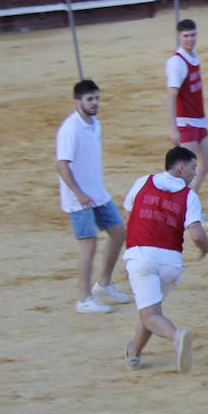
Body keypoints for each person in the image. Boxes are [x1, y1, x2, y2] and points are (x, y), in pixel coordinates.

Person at [121, 146, 208, 373]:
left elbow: (129, 216)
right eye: (193, 167)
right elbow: (197, 235)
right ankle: (134, 355)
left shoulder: (143, 182)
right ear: (180, 168)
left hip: (141, 257)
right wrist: (204, 249)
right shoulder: (190, 196)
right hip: (171, 263)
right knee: (151, 310)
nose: (195, 173)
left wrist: (130, 253)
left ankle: (176, 337)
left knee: (150, 314)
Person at [57, 79, 129, 314]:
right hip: (78, 198)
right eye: (90, 99)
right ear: (77, 102)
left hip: (97, 193)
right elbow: (62, 165)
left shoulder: (96, 124)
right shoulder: (70, 129)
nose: (95, 103)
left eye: (97, 98)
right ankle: (84, 299)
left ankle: (104, 285)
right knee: (88, 244)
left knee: (118, 233)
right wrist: (79, 193)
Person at [164, 19, 208, 205]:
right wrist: (174, 128)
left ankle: (189, 201)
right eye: (186, 36)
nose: (190, 39)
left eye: (193, 35)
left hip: (198, 120)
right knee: (183, 171)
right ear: (179, 36)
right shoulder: (177, 63)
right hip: (186, 122)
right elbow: (171, 96)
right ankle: (177, 206)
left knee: (207, 162)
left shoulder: (193, 56)